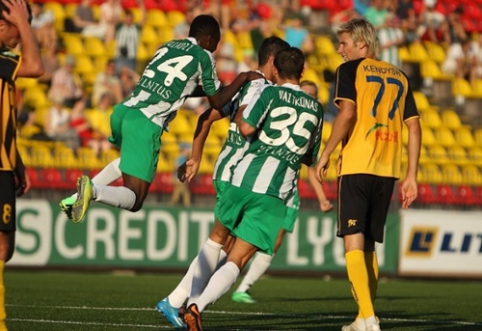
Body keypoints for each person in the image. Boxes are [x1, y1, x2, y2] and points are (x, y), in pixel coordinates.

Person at [59, 15, 262, 223]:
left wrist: (228, 87)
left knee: (129, 161)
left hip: (124, 112)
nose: (215, 49)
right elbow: (217, 101)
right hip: (146, 122)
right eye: (216, 43)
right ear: (209, 39)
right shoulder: (203, 56)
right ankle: (92, 191)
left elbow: (180, 87)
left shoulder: (168, 46)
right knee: (135, 199)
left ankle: (75, 199)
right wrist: (243, 78)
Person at [182, 46, 324, 331]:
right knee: (239, 257)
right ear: (303, 72)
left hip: (242, 177)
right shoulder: (316, 107)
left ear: (277, 70)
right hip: (275, 191)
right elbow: (310, 157)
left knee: (217, 239)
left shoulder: (270, 93)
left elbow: (246, 128)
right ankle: (197, 306)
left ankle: (185, 299)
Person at [156, 35, 291, 329]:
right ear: (273, 62)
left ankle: (180, 300)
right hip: (238, 172)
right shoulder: (261, 89)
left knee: (225, 243)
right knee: (219, 242)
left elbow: (206, 117)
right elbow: (242, 121)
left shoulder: (250, 85)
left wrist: (196, 157)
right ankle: (182, 302)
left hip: (232, 170)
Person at [314, 18, 421, 331]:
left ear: (362, 44)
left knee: (353, 242)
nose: (339, 50)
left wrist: (326, 152)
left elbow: (347, 113)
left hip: (358, 163)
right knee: (371, 244)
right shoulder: (400, 75)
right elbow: (414, 126)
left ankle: (368, 317)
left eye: (344, 43)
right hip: (388, 169)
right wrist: (411, 175)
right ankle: (364, 317)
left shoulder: (350, 70)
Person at [230, 80, 333, 304]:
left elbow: (310, 166)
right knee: (239, 235)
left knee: (274, 240)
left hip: (289, 189)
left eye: (313, 95)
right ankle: (223, 275)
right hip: (261, 181)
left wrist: (323, 198)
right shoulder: (279, 106)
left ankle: (243, 287)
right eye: (307, 93)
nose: (309, 98)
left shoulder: (311, 120)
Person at [0, 0, 44, 329]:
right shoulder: (1, 61)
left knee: (5, 247)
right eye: (19, 24)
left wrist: (18, 162)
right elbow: (36, 67)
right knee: (1, 247)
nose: (23, 31)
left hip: (4, 164)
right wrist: (24, 24)